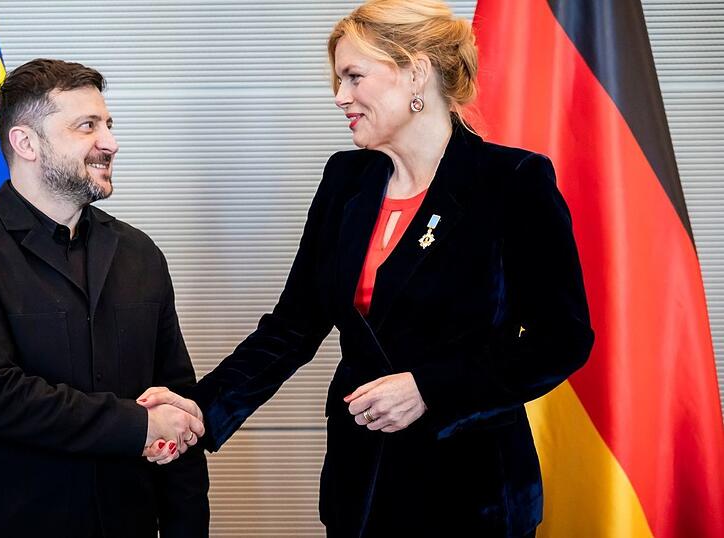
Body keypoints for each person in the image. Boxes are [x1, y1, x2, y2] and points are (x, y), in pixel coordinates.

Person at [139, 1, 594, 535]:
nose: (340, 97)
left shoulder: (512, 181)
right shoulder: (345, 179)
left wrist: (431, 386)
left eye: (355, 76)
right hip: (360, 484)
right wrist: (200, 407)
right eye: (338, 79)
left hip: (469, 490)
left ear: (416, 71)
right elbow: (292, 327)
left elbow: (561, 339)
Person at [0, 59, 208, 538]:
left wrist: (187, 527)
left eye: (108, 125)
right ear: (26, 143)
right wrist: (138, 425)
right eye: (87, 126)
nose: (110, 142)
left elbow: (176, 399)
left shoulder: (140, 253)